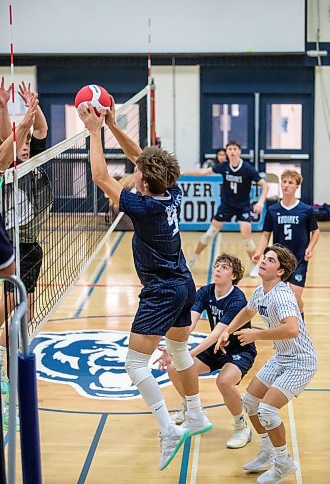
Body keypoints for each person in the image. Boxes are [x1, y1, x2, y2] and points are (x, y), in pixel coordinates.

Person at [77, 100, 212, 471]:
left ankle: (168, 428)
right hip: (184, 282)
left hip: (161, 290)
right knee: (180, 351)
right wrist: (112, 125)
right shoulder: (171, 190)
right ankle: (197, 415)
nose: (136, 171)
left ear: (142, 182)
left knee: (135, 364)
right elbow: (144, 160)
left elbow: (102, 179)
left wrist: (93, 132)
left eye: (139, 173)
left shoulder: (143, 206)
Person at [215, 244, 317, 483]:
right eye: (264, 257)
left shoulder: (281, 296)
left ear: (280, 271)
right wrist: (228, 330)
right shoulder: (262, 290)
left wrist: (255, 335)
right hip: (282, 357)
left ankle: (283, 463)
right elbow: (248, 312)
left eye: (270, 260)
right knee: (249, 403)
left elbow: (291, 329)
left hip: (300, 362)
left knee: (267, 411)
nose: (262, 260)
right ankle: (268, 450)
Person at [156, 254, 257, 449]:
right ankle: (192, 410)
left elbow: (215, 335)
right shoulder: (205, 292)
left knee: (224, 381)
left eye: (224, 267)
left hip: (239, 350)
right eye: (217, 265)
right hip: (216, 350)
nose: (217, 269)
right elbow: (189, 325)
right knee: (175, 369)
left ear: (234, 275)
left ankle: (241, 426)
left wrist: (187, 355)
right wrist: (171, 350)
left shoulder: (237, 299)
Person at [0, 80, 50, 396]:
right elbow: (8, 139)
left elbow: (40, 131)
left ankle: (12, 357)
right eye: (22, 145)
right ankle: (6, 368)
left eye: (28, 144)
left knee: (24, 314)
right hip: (8, 244)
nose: (26, 148)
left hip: (31, 246)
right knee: (8, 310)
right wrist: (7, 109)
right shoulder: (7, 166)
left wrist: (35, 106)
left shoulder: (35, 161)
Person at [186, 141, 268, 277]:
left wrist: (260, 202)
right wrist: (184, 173)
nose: (232, 151)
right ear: (227, 152)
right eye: (229, 149)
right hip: (227, 205)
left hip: (242, 206)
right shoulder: (223, 166)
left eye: (235, 148)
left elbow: (265, 185)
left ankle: (255, 265)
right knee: (208, 235)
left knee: (246, 237)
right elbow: (205, 172)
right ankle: (192, 260)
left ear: (239, 151)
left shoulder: (247, 169)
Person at [253, 170, 319, 316]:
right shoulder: (272, 210)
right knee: (276, 297)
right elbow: (266, 234)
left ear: (297, 187)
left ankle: (300, 323)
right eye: (284, 182)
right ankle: (281, 325)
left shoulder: (306, 210)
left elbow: (316, 231)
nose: (286, 185)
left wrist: (310, 248)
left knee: (295, 297)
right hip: (279, 260)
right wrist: (259, 252)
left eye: (290, 183)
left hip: (299, 259)